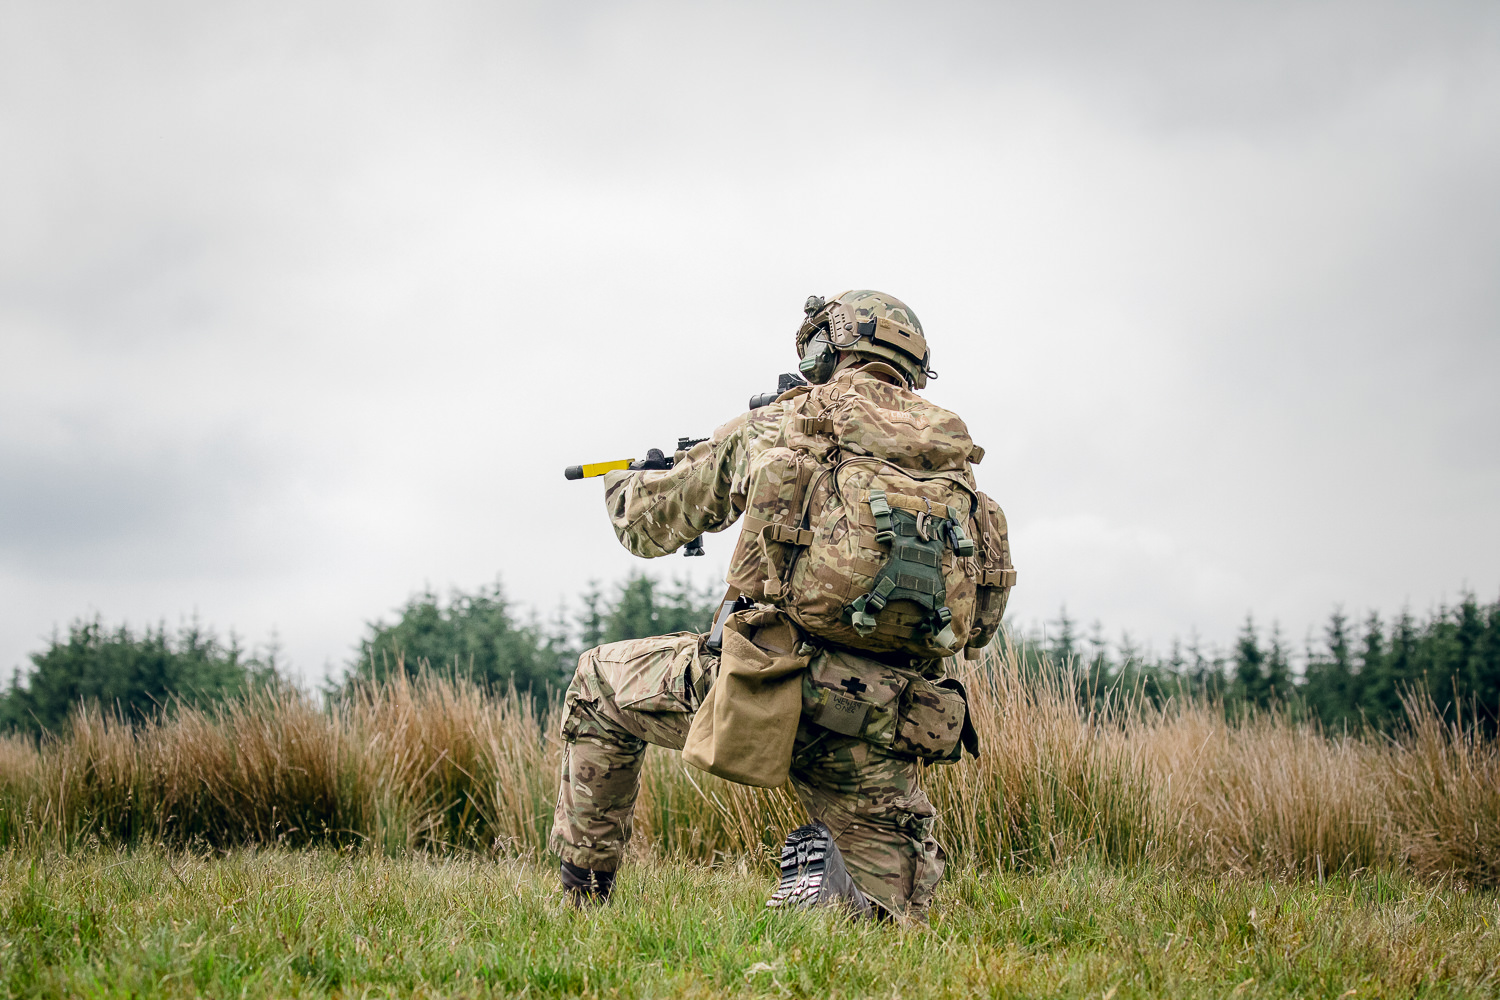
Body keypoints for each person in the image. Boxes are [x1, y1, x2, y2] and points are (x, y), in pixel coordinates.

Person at [550, 290, 1013, 920]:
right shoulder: (955, 469)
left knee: (597, 683)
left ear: (828, 346)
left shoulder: (780, 422)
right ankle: (850, 887)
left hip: (761, 694)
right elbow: (980, 625)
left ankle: (583, 900)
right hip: (884, 722)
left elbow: (648, 526)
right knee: (901, 921)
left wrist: (628, 481)